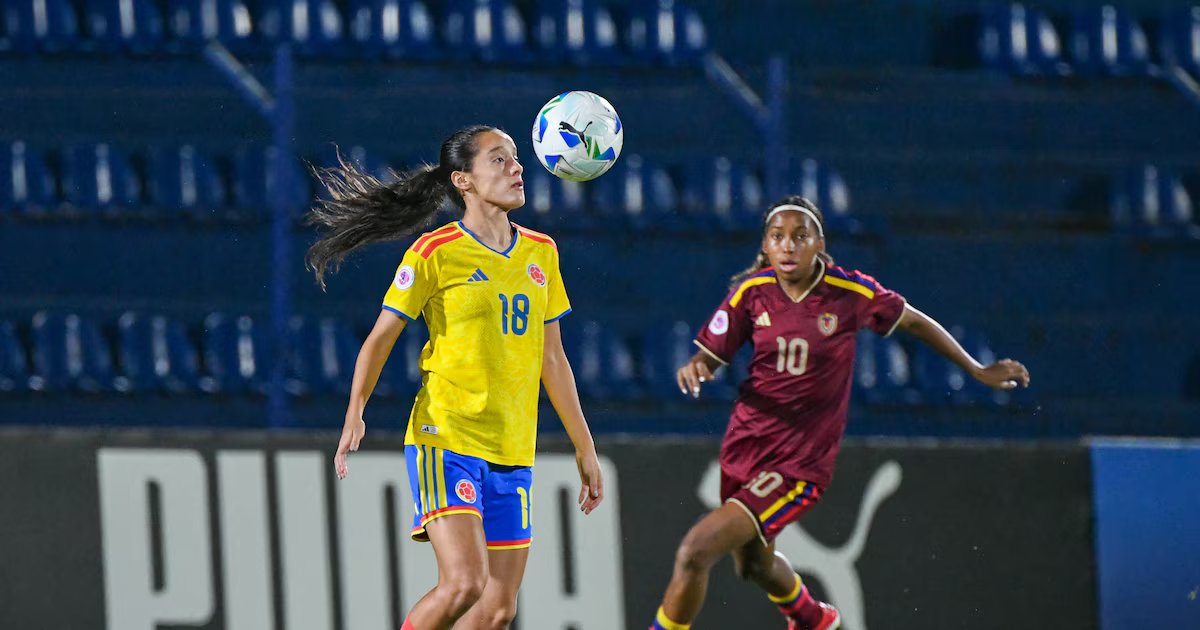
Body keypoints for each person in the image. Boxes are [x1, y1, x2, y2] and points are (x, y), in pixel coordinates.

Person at [649, 196, 1030, 630]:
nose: (788, 246)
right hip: (744, 448)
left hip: (797, 463)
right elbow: (712, 355)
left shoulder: (851, 293)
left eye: (799, 236)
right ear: (766, 246)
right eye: (778, 237)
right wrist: (699, 366)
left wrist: (975, 369)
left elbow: (914, 321)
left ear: (819, 244)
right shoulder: (751, 293)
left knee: (694, 552)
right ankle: (815, 619)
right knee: (753, 565)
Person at [306, 125, 605, 630]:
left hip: (511, 447)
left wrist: (584, 446)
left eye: (516, 159)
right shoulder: (435, 251)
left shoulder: (541, 253)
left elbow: (552, 359)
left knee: (497, 609)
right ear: (462, 180)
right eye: (500, 160)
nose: (516, 168)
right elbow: (380, 338)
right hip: (446, 436)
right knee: (465, 582)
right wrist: (355, 410)